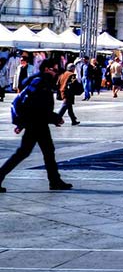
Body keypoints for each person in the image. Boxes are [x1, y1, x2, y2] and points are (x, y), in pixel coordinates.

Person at [0, 58, 73, 192]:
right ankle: (54, 180)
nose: (57, 73)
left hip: (38, 122)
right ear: (47, 69)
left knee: (46, 151)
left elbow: (36, 106)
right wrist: (55, 118)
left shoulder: (42, 82)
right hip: (36, 123)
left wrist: (23, 123)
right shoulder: (40, 83)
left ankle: (55, 180)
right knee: (24, 152)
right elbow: (37, 107)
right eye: (55, 70)